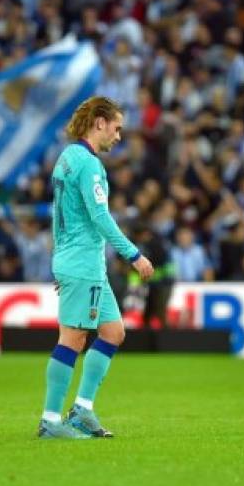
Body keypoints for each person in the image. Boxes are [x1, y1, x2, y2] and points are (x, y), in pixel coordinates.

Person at [38, 96, 154, 439]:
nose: (119, 136)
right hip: (83, 264)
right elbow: (99, 216)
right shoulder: (89, 165)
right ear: (99, 122)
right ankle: (50, 421)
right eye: (116, 128)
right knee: (73, 339)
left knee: (113, 332)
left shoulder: (67, 158)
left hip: (81, 264)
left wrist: (61, 262)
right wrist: (134, 255)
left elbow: (59, 215)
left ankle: (82, 410)